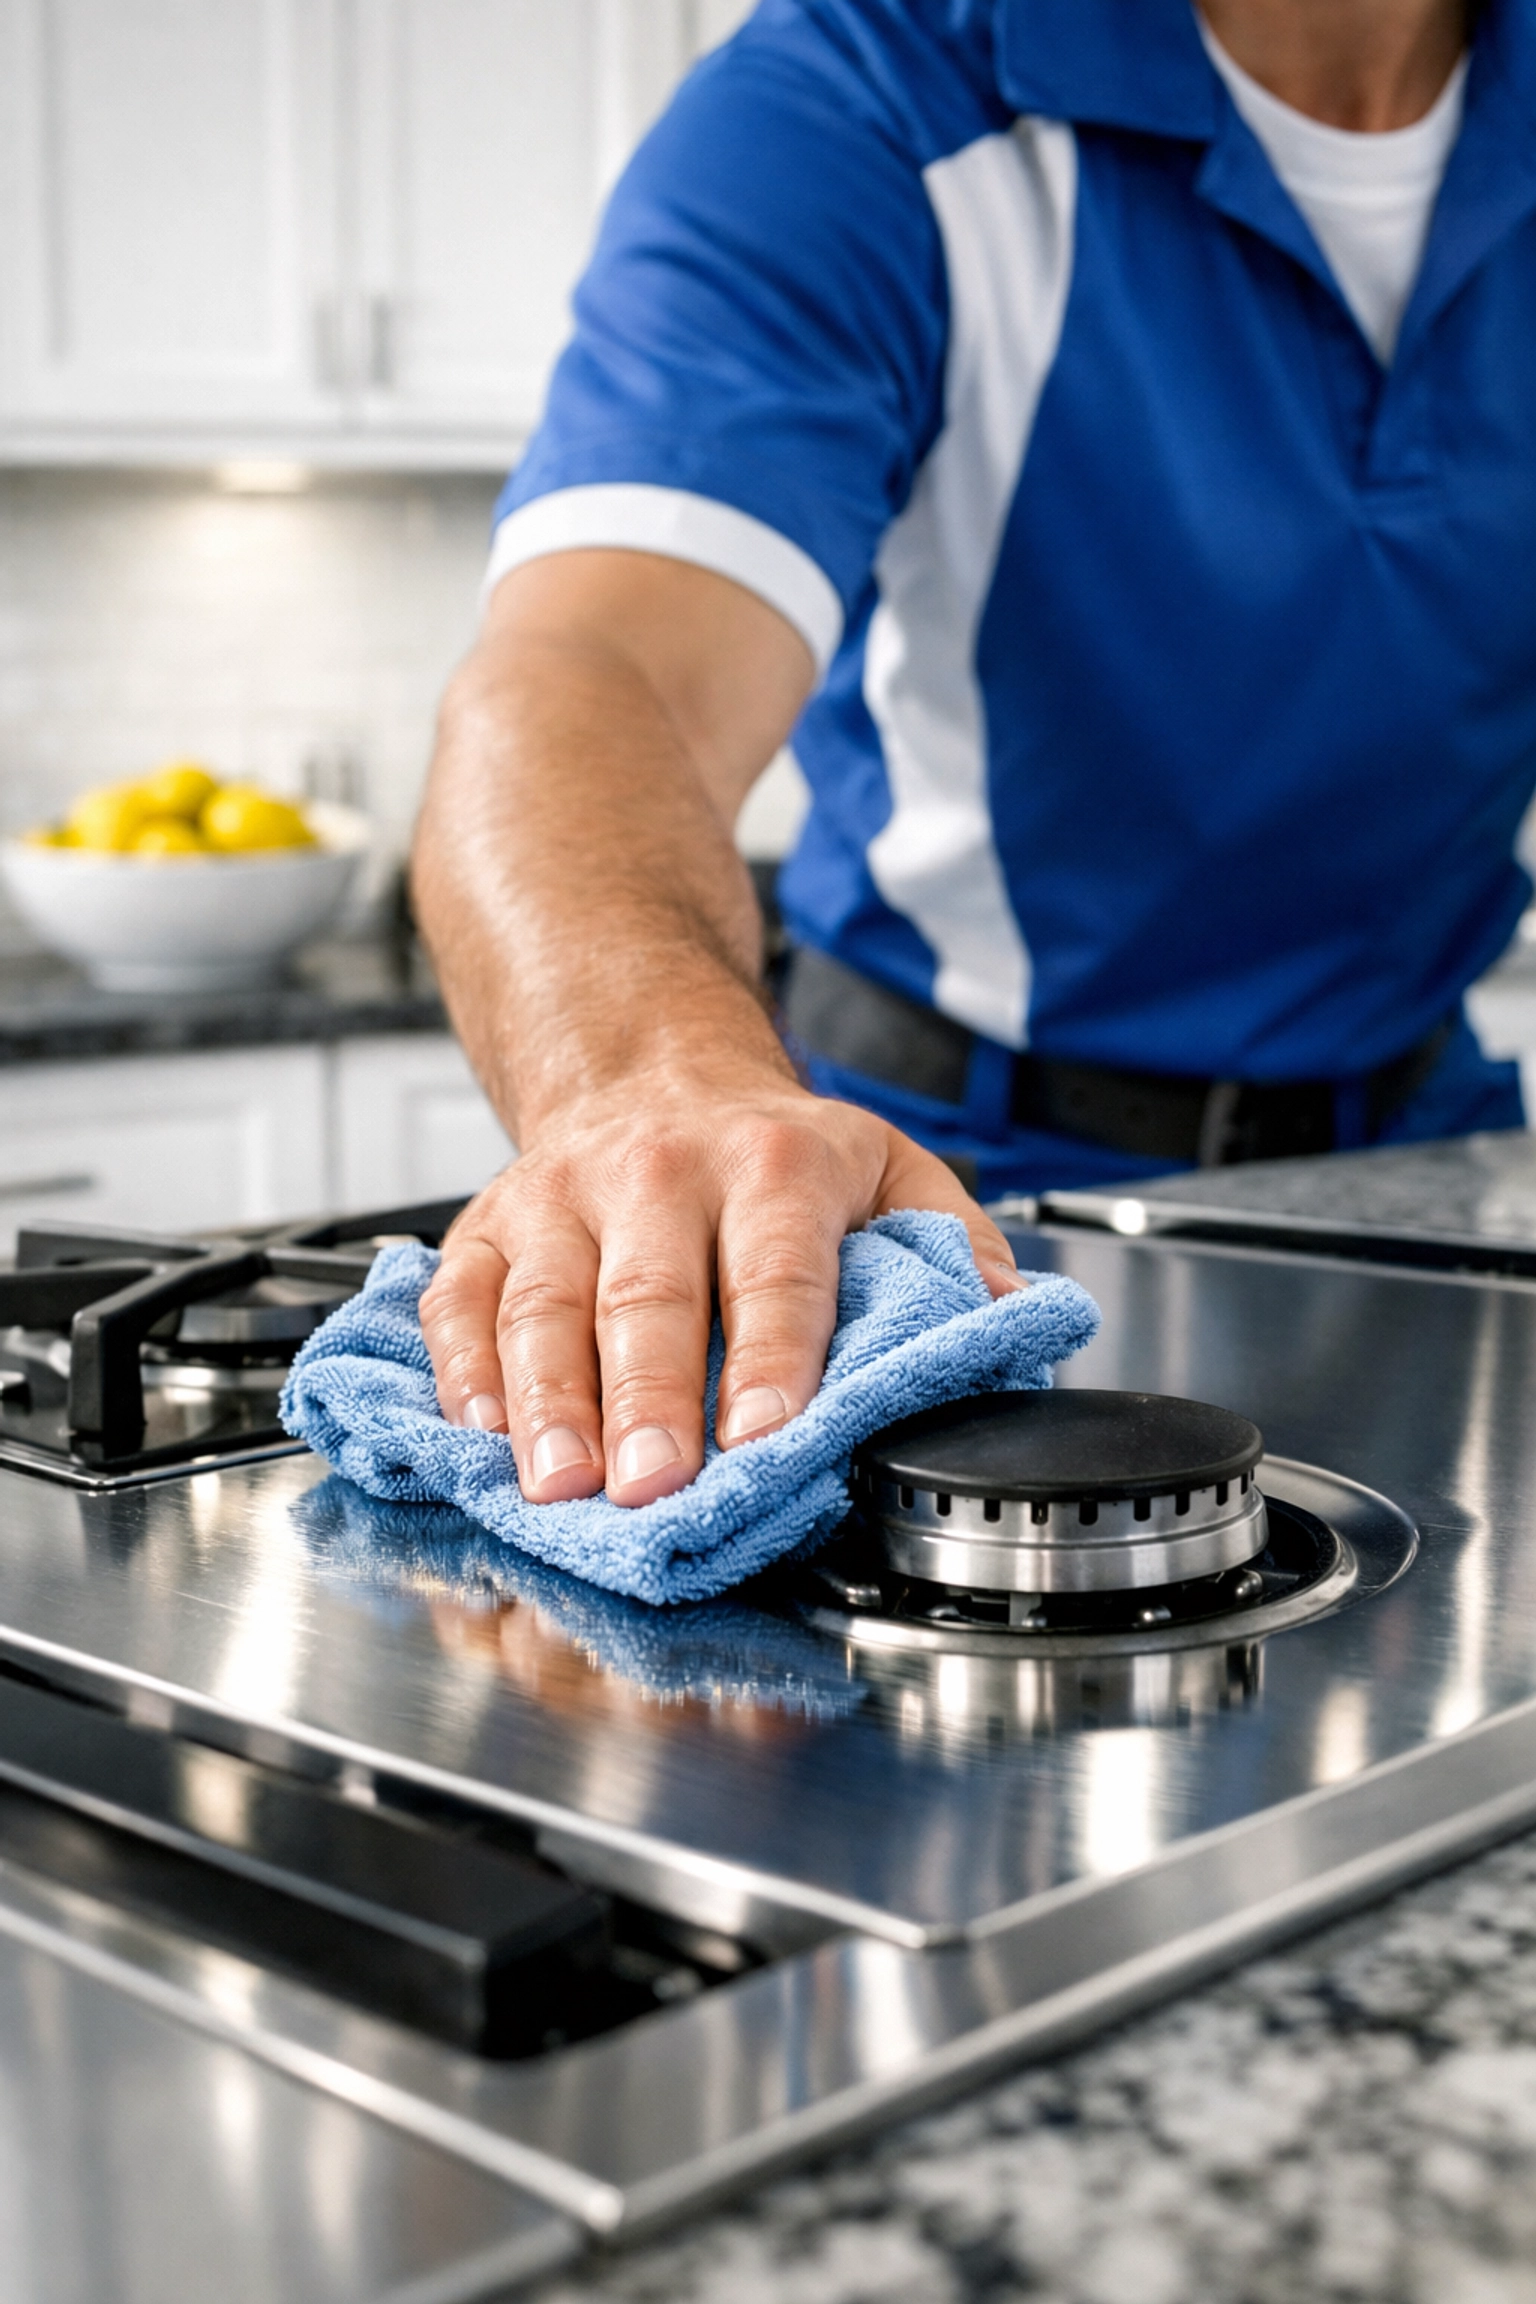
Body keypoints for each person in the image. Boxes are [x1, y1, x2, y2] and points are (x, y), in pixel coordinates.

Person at [412, 0, 1536, 1511]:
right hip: (950, 1189)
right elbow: (593, 671)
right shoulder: (861, 99)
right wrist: (650, 1082)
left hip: (1434, 1156)